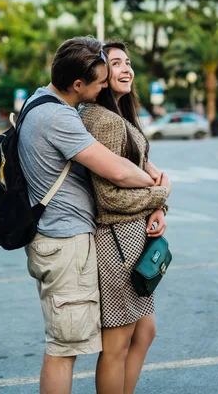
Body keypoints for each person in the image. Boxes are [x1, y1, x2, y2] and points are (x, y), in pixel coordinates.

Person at [18, 36, 162, 394]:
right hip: (74, 239)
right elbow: (114, 177)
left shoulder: (47, 103)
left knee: (136, 333)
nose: (104, 85)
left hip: (75, 237)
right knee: (66, 348)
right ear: (79, 83)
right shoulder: (67, 117)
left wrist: (157, 199)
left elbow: (131, 165)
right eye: (107, 72)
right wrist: (161, 192)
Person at [79, 41, 171, 394]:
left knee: (144, 332)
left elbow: (143, 174)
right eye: (115, 63)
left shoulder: (120, 116)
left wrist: (158, 208)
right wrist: (160, 194)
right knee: (116, 344)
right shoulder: (102, 120)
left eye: (128, 62)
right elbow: (108, 197)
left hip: (133, 240)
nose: (126, 68)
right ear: (100, 74)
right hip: (115, 244)